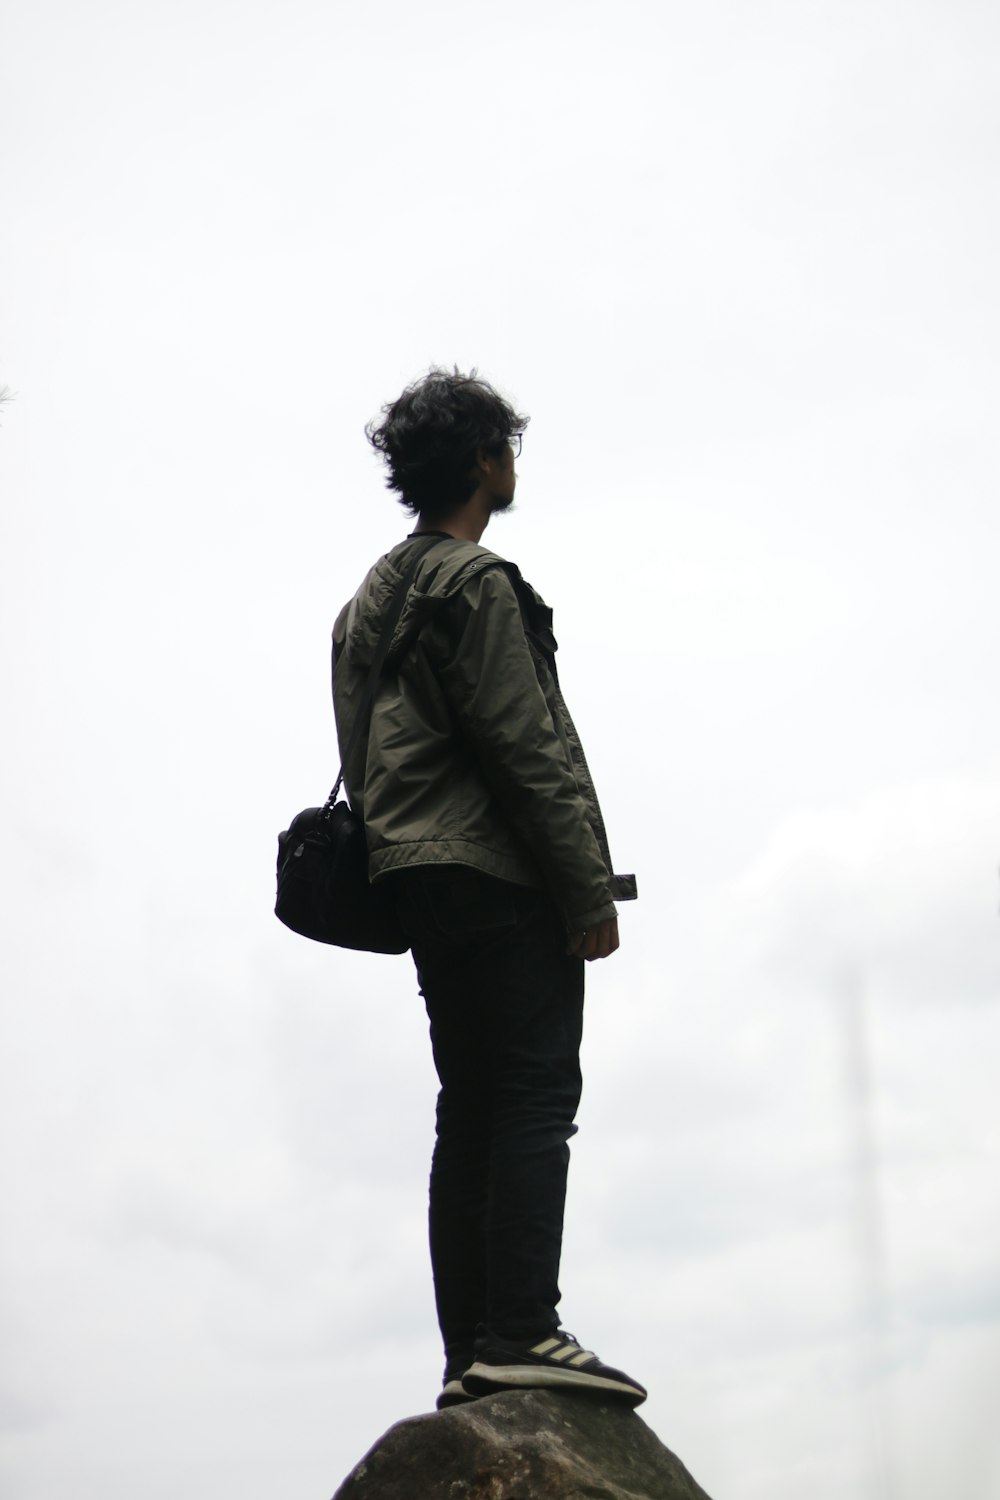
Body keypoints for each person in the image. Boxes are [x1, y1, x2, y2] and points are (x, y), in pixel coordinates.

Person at [332, 368, 646, 1410]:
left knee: (466, 1108)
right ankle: (521, 1327)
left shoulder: (364, 602)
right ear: (482, 459)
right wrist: (583, 888)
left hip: (415, 878)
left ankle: (472, 1345)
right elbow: (526, 747)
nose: (514, 462)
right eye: (506, 446)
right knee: (533, 1095)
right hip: (496, 874)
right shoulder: (477, 583)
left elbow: (369, 754)